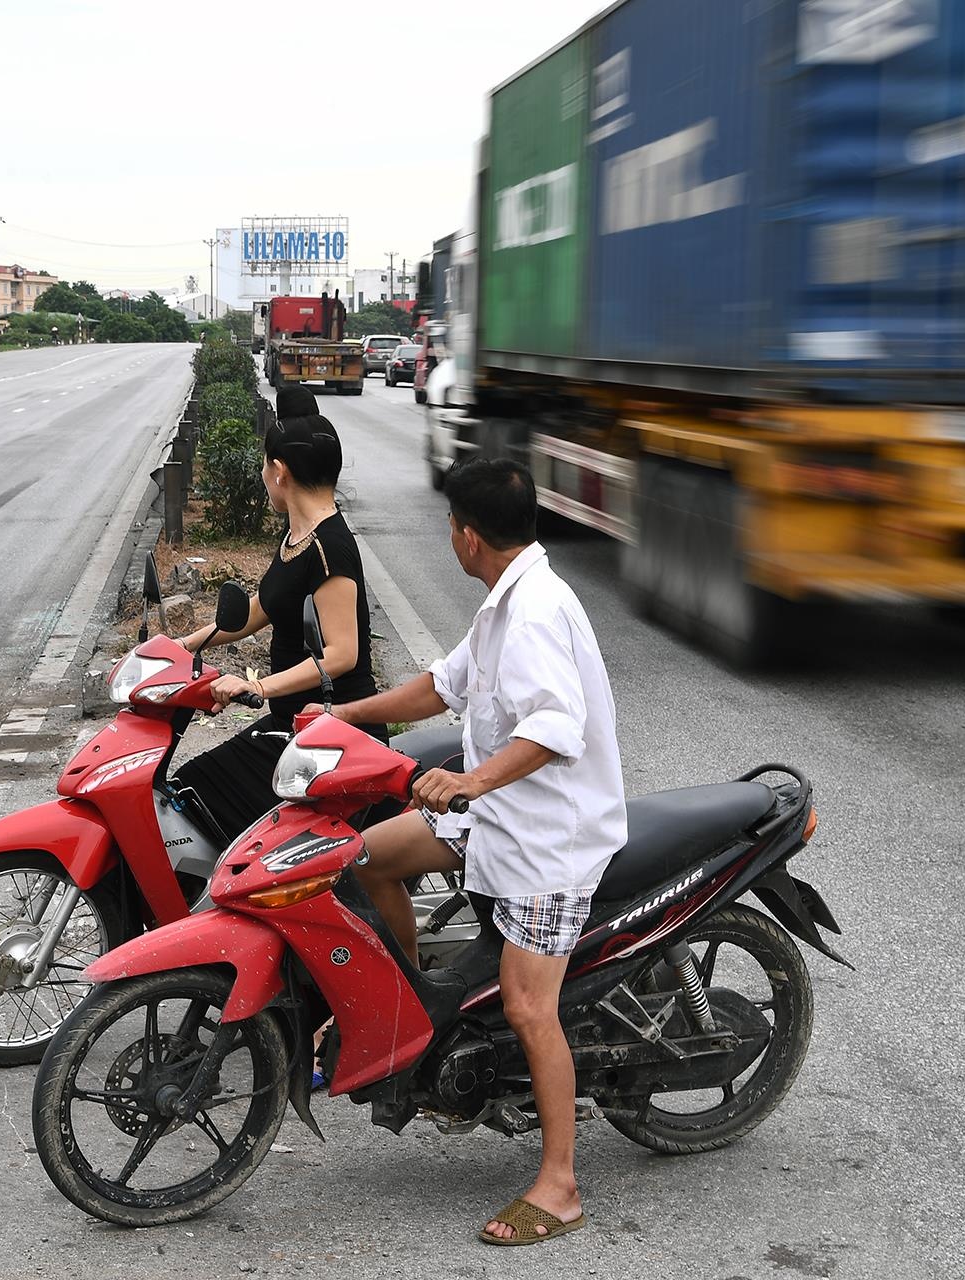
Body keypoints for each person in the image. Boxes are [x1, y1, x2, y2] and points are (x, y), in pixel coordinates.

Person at [305, 458, 624, 1248]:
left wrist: (471, 780)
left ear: (467, 535)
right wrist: (340, 717)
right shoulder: (502, 605)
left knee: (527, 1006)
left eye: (450, 523)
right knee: (366, 858)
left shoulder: (539, 612)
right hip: (498, 815)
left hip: (552, 839)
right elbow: (438, 688)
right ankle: (418, 1013)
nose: (450, 534)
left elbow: (557, 727)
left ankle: (561, 1186)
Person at [170, 385, 386, 841]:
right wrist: (184, 646)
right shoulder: (298, 535)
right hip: (294, 724)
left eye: (265, 465)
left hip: (333, 734)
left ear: (280, 470)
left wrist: (256, 686)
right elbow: (259, 610)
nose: (263, 474)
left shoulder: (330, 548)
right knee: (191, 788)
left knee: (205, 801)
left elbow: (343, 654)